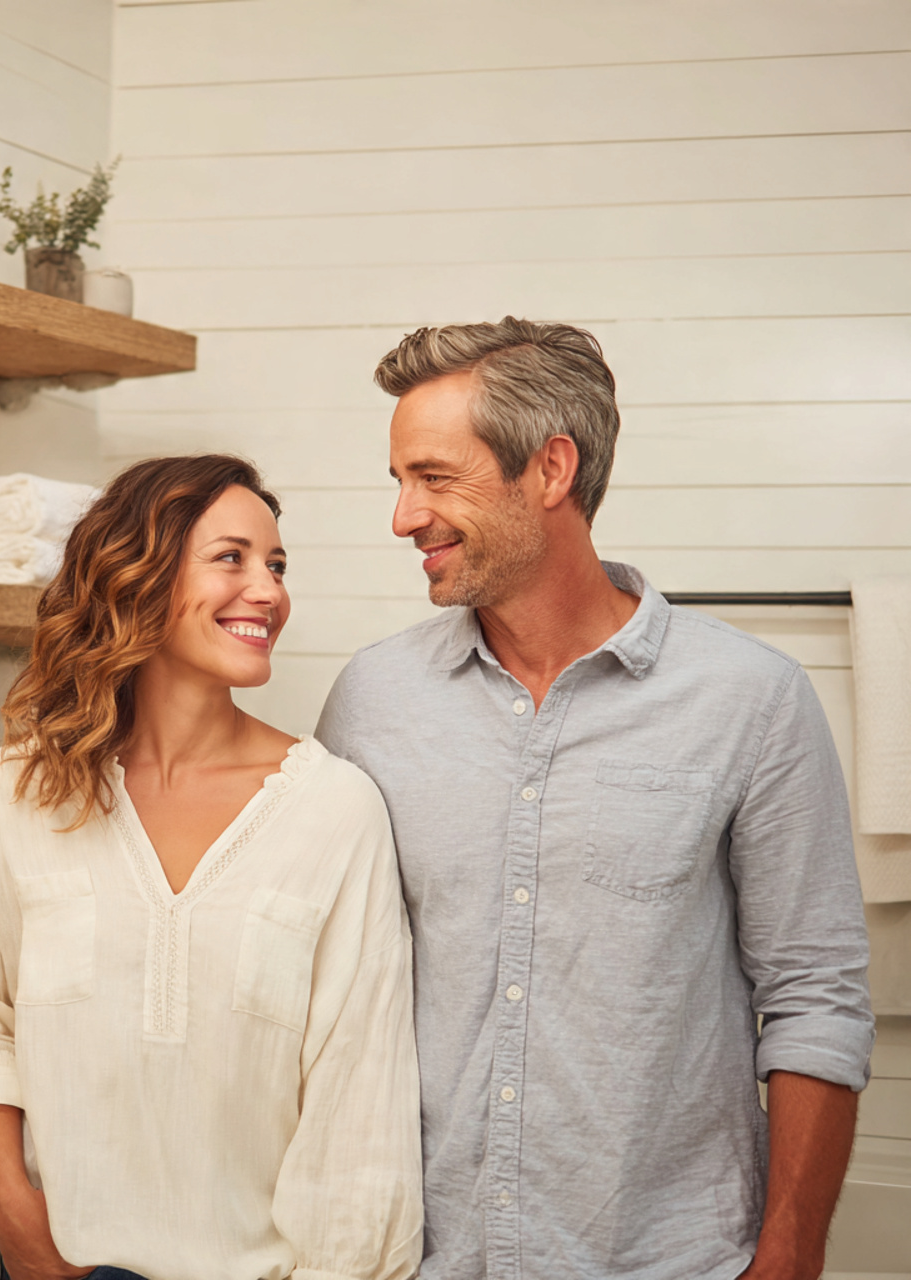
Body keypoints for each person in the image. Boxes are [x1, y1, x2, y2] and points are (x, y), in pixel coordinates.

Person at [315, 318, 874, 1280]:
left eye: (435, 478)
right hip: (422, 1258)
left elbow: (815, 996)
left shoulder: (751, 699)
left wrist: (788, 1258)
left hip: (670, 1258)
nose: (404, 518)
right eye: (399, 482)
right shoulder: (373, 700)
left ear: (550, 468)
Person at [0, 454, 422, 1280]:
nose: (269, 591)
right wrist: (14, 1216)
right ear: (136, 576)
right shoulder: (14, 791)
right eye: (232, 558)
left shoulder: (334, 809)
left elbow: (360, 1106)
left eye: (277, 565)